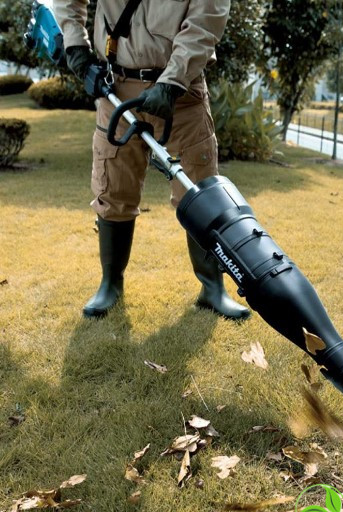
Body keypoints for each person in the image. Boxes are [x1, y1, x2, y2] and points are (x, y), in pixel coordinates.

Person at [53, 0, 250, 320]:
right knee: (113, 187)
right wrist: (75, 44)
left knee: (201, 191)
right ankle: (110, 283)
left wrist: (171, 84)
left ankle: (212, 287)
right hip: (116, 87)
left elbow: (205, 22)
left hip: (182, 94)